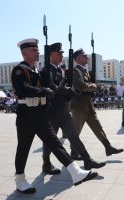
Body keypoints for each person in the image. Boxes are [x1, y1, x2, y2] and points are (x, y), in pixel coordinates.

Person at [11, 39, 97, 194]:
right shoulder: (19, 70)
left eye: (37, 49)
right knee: (24, 147)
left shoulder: (37, 71)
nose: (37, 52)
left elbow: (51, 89)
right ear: (24, 53)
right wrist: (44, 91)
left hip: (40, 113)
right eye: (34, 50)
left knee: (55, 143)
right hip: (26, 115)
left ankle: (75, 172)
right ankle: (20, 179)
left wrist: (60, 92)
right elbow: (23, 89)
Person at [40, 42, 105, 174]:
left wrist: (71, 92)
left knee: (73, 135)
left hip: (63, 109)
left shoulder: (61, 70)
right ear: (51, 55)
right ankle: (46, 163)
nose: (61, 56)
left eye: (61, 53)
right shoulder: (45, 71)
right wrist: (65, 90)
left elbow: (65, 87)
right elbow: (51, 89)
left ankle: (87, 159)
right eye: (58, 53)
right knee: (49, 139)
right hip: (51, 111)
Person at [70, 48, 124, 157]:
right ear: (78, 58)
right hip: (79, 105)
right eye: (84, 56)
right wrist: (94, 87)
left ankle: (108, 147)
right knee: (76, 130)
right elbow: (80, 86)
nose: (87, 58)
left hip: (88, 104)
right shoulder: (75, 71)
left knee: (97, 126)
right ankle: (74, 152)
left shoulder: (84, 71)